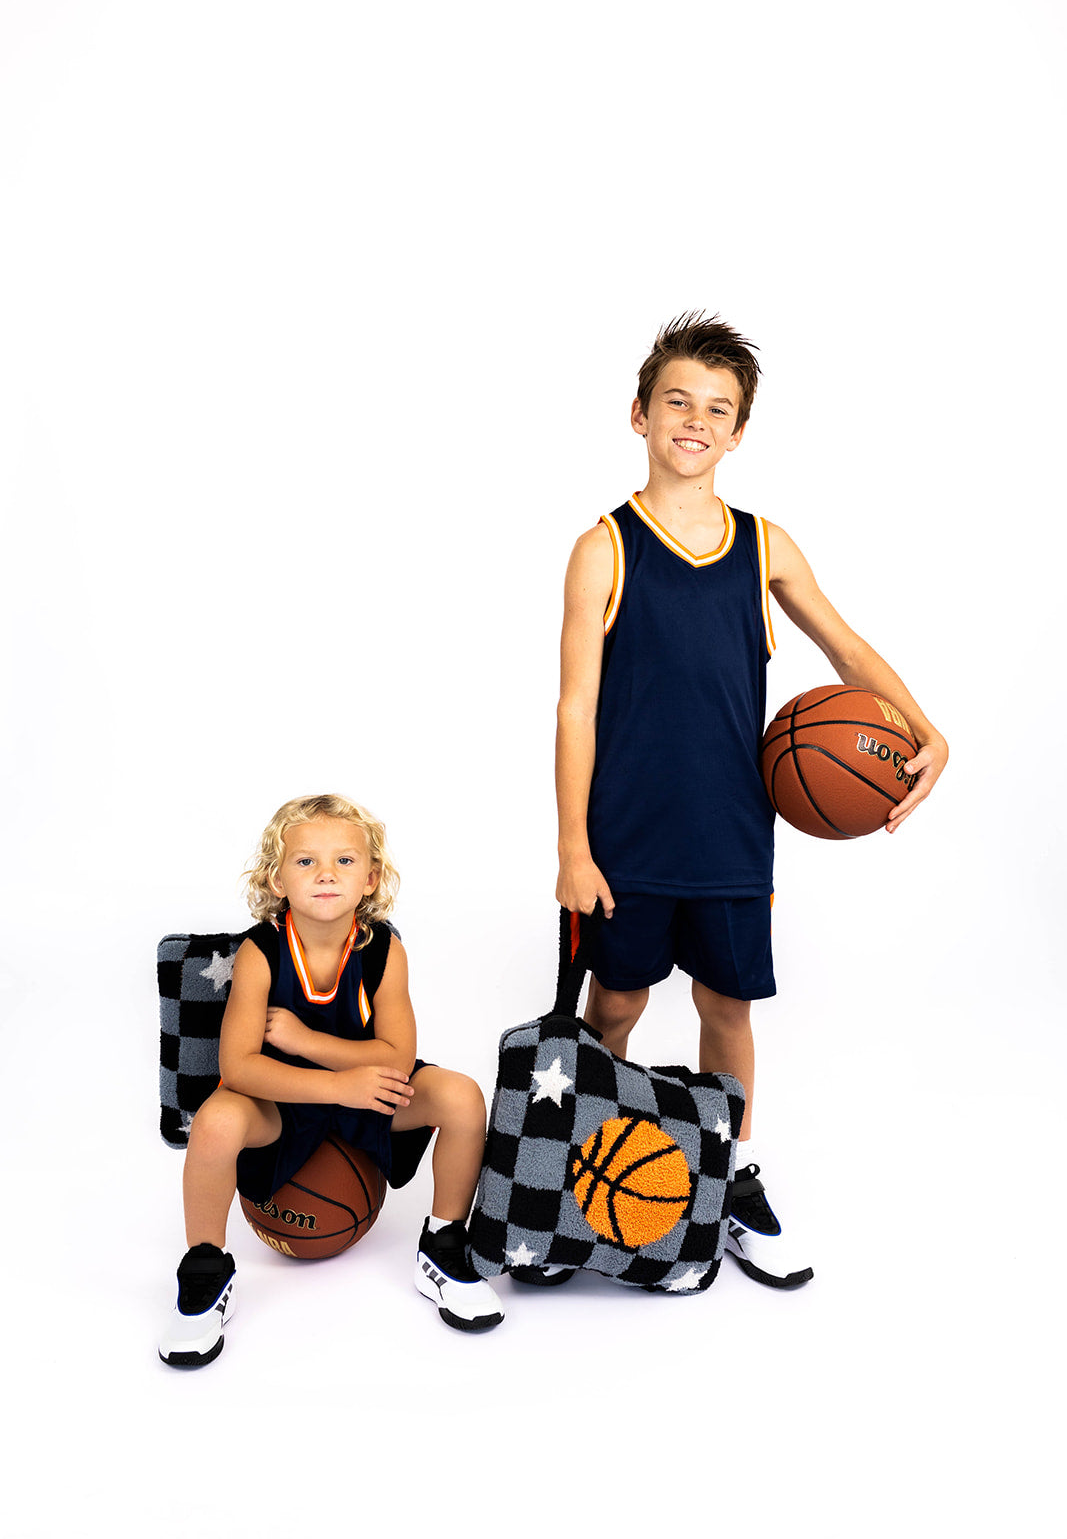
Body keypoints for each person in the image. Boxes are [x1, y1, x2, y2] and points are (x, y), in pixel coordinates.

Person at [551, 314, 948, 1289]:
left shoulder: (764, 544)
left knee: (725, 1007)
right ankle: (572, 1172)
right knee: (614, 1005)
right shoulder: (603, 546)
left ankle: (722, 1175)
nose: (694, 420)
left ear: (737, 434)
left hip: (732, 831)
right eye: (676, 401)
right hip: (626, 836)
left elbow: (846, 652)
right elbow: (573, 707)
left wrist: (924, 728)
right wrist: (572, 845)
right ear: (638, 414)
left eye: (716, 409)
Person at [159, 793, 504, 1365]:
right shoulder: (259, 952)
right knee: (217, 1120)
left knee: (461, 1097)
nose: (325, 874)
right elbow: (238, 1067)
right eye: (305, 862)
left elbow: (398, 1059)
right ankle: (205, 1270)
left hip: (364, 1088)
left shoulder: (383, 948)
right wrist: (333, 1083)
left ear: (370, 879)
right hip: (282, 1098)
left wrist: (304, 1041)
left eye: (344, 861)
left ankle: (443, 1245)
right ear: (275, 879)